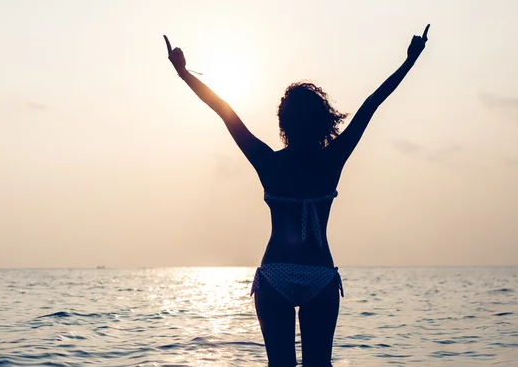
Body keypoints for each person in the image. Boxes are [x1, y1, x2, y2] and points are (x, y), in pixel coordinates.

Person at [163, 24, 429, 366]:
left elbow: (223, 109)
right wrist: (410, 61)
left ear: (283, 123)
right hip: (320, 275)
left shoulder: (268, 162)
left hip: (275, 275)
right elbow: (372, 103)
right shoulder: (333, 158)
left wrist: (183, 73)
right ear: (323, 121)